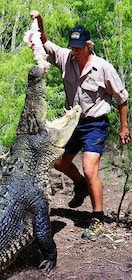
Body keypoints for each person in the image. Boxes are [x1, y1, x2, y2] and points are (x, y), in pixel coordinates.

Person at [30, 10, 130, 239]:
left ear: (88, 46)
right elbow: (45, 41)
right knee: (59, 163)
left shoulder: (103, 67)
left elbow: (122, 99)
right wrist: (39, 20)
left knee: (89, 167)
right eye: (72, 46)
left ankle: (98, 219)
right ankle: (81, 185)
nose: (74, 51)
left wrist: (124, 127)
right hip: (73, 122)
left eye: (78, 47)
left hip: (95, 124)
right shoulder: (66, 57)